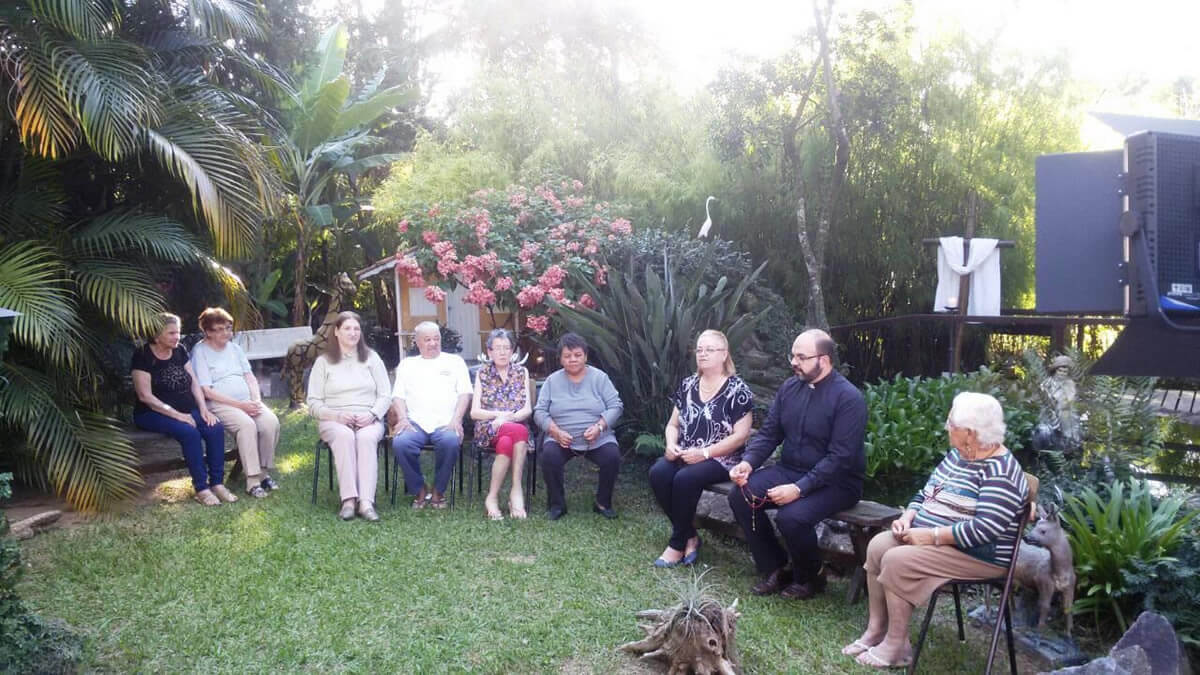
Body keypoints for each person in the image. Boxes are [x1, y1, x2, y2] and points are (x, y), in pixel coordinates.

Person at [842, 392, 1029, 669]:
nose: (946, 427)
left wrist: (931, 536)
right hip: (941, 541)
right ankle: (876, 629)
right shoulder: (959, 456)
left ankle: (897, 646)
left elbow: (985, 530)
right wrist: (909, 516)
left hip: (979, 555)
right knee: (879, 545)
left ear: (970, 432)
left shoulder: (1000, 471)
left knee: (898, 560)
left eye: (951, 423)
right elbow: (927, 493)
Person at [727, 328, 867, 599]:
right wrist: (748, 463)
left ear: (824, 360)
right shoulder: (789, 388)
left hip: (839, 482)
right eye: (793, 355)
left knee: (791, 517)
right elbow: (770, 433)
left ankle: (811, 578)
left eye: (802, 357)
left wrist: (799, 488)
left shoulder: (849, 399)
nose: (794, 362)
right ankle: (776, 567)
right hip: (790, 469)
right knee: (741, 496)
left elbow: (840, 458)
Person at [649, 330, 753, 567]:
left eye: (709, 350)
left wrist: (705, 453)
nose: (702, 354)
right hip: (686, 452)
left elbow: (741, 436)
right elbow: (673, 425)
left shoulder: (738, 390)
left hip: (722, 459)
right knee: (659, 473)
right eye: (699, 350)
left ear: (724, 354)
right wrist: (671, 444)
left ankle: (676, 545)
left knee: (685, 479)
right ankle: (690, 536)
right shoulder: (688, 384)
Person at [132, 312, 233, 506]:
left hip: (186, 409)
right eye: (171, 333)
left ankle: (217, 483)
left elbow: (194, 382)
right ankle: (202, 488)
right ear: (156, 335)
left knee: (214, 428)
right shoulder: (143, 355)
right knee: (189, 433)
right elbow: (145, 396)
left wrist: (203, 409)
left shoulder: (179, 350)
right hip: (152, 413)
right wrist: (178, 415)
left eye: (178, 332)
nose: (177, 337)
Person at [306, 311, 390, 521]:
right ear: (336, 332)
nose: (353, 333)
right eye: (347, 328)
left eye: (356, 329)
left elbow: (385, 395)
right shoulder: (323, 362)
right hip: (333, 419)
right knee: (344, 436)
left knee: (366, 438)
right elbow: (313, 403)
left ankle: (366, 502)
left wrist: (372, 414)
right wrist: (336, 416)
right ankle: (349, 501)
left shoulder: (372, 358)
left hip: (368, 418)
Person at [190, 307, 281, 498]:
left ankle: (264, 473)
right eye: (219, 329)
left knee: (270, 422)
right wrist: (241, 406)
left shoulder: (235, 348)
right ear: (207, 331)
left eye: (228, 328)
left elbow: (250, 377)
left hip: (246, 401)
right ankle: (252, 482)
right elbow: (207, 390)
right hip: (219, 403)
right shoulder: (200, 351)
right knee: (246, 425)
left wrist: (256, 401)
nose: (226, 333)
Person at [534, 332, 623, 521]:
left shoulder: (600, 378)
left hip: (598, 438)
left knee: (612, 456)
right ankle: (557, 504)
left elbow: (616, 406)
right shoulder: (552, 381)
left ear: (585, 356)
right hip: (561, 439)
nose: (572, 359)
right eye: (567, 356)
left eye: (577, 355)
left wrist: (600, 427)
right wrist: (555, 431)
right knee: (549, 456)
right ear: (560, 359)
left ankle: (602, 503)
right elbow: (539, 412)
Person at [390, 321, 472, 510]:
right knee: (401, 443)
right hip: (415, 423)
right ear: (417, 342)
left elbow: (465, 394)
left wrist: (457, 420)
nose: (433, 343)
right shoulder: (408, 365)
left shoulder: (455, 362)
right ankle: (419, 489)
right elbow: (398, 396)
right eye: (427, 340)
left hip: (446, 423)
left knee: (450, 442)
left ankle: (438, 490)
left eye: (436, 339)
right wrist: (403, 418)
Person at [471, 329, 532, 521]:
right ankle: (516, 490)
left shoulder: (521, 372)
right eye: (497, 348)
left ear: (512, 351)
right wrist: (499, 416)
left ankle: (492, 497)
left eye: (506, 348)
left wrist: (506, 420)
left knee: (507, 441)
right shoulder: (482, 373)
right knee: (520, 432)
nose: (502, 352)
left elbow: (527, 409)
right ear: (489, 352)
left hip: (512, 425)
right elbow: (474, 412)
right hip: (488, 427)